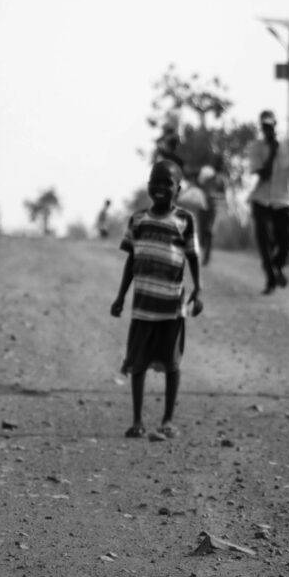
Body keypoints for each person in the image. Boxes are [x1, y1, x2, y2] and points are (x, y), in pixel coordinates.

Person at [110, 160, 203, 439]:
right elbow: (131, 260)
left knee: (172, 364)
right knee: (137, 363)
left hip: (172, 307)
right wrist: (120, 296)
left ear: (178, 189)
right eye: (155, 182)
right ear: (148, 185)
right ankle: (137, 420)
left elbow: (192, 257)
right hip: (142, 307)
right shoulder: (138, 220)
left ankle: (167, 420)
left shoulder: (185, 220)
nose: (160, 187)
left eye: (167, 183)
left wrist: (199, 289)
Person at [248, 110, 289, 293]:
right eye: (265, 126)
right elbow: (263, 174)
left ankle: (276, 266)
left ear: (275, 125)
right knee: (264, 241)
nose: (268, 129)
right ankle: (271, 280)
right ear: (261, 127)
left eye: (270, 126)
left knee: (285, 242)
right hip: (261, 200)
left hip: (283, 199)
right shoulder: (256, 147)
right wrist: (272, 153)